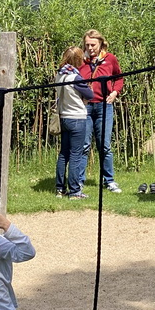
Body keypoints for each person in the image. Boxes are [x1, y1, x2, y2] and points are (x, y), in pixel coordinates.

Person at [78, 29, 124, 193]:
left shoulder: (110, 59)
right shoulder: (80, 60)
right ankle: (79, 182)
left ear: (101, 44)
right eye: (87, 45)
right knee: (83, 145)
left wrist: (114, 92)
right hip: (85, 107)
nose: (90, 48)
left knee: (104, 145)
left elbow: (119, 77)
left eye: (93, 45)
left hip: (104, 106)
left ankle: (109, 180)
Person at [54, 46, 93, 199]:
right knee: (76, 154)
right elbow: (89, 94)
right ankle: (75, 191)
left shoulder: (60, 75)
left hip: (64, 117)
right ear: (77, 59)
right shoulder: (75, 77)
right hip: (77, 117)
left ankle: (60, 189)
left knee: (64, 153)